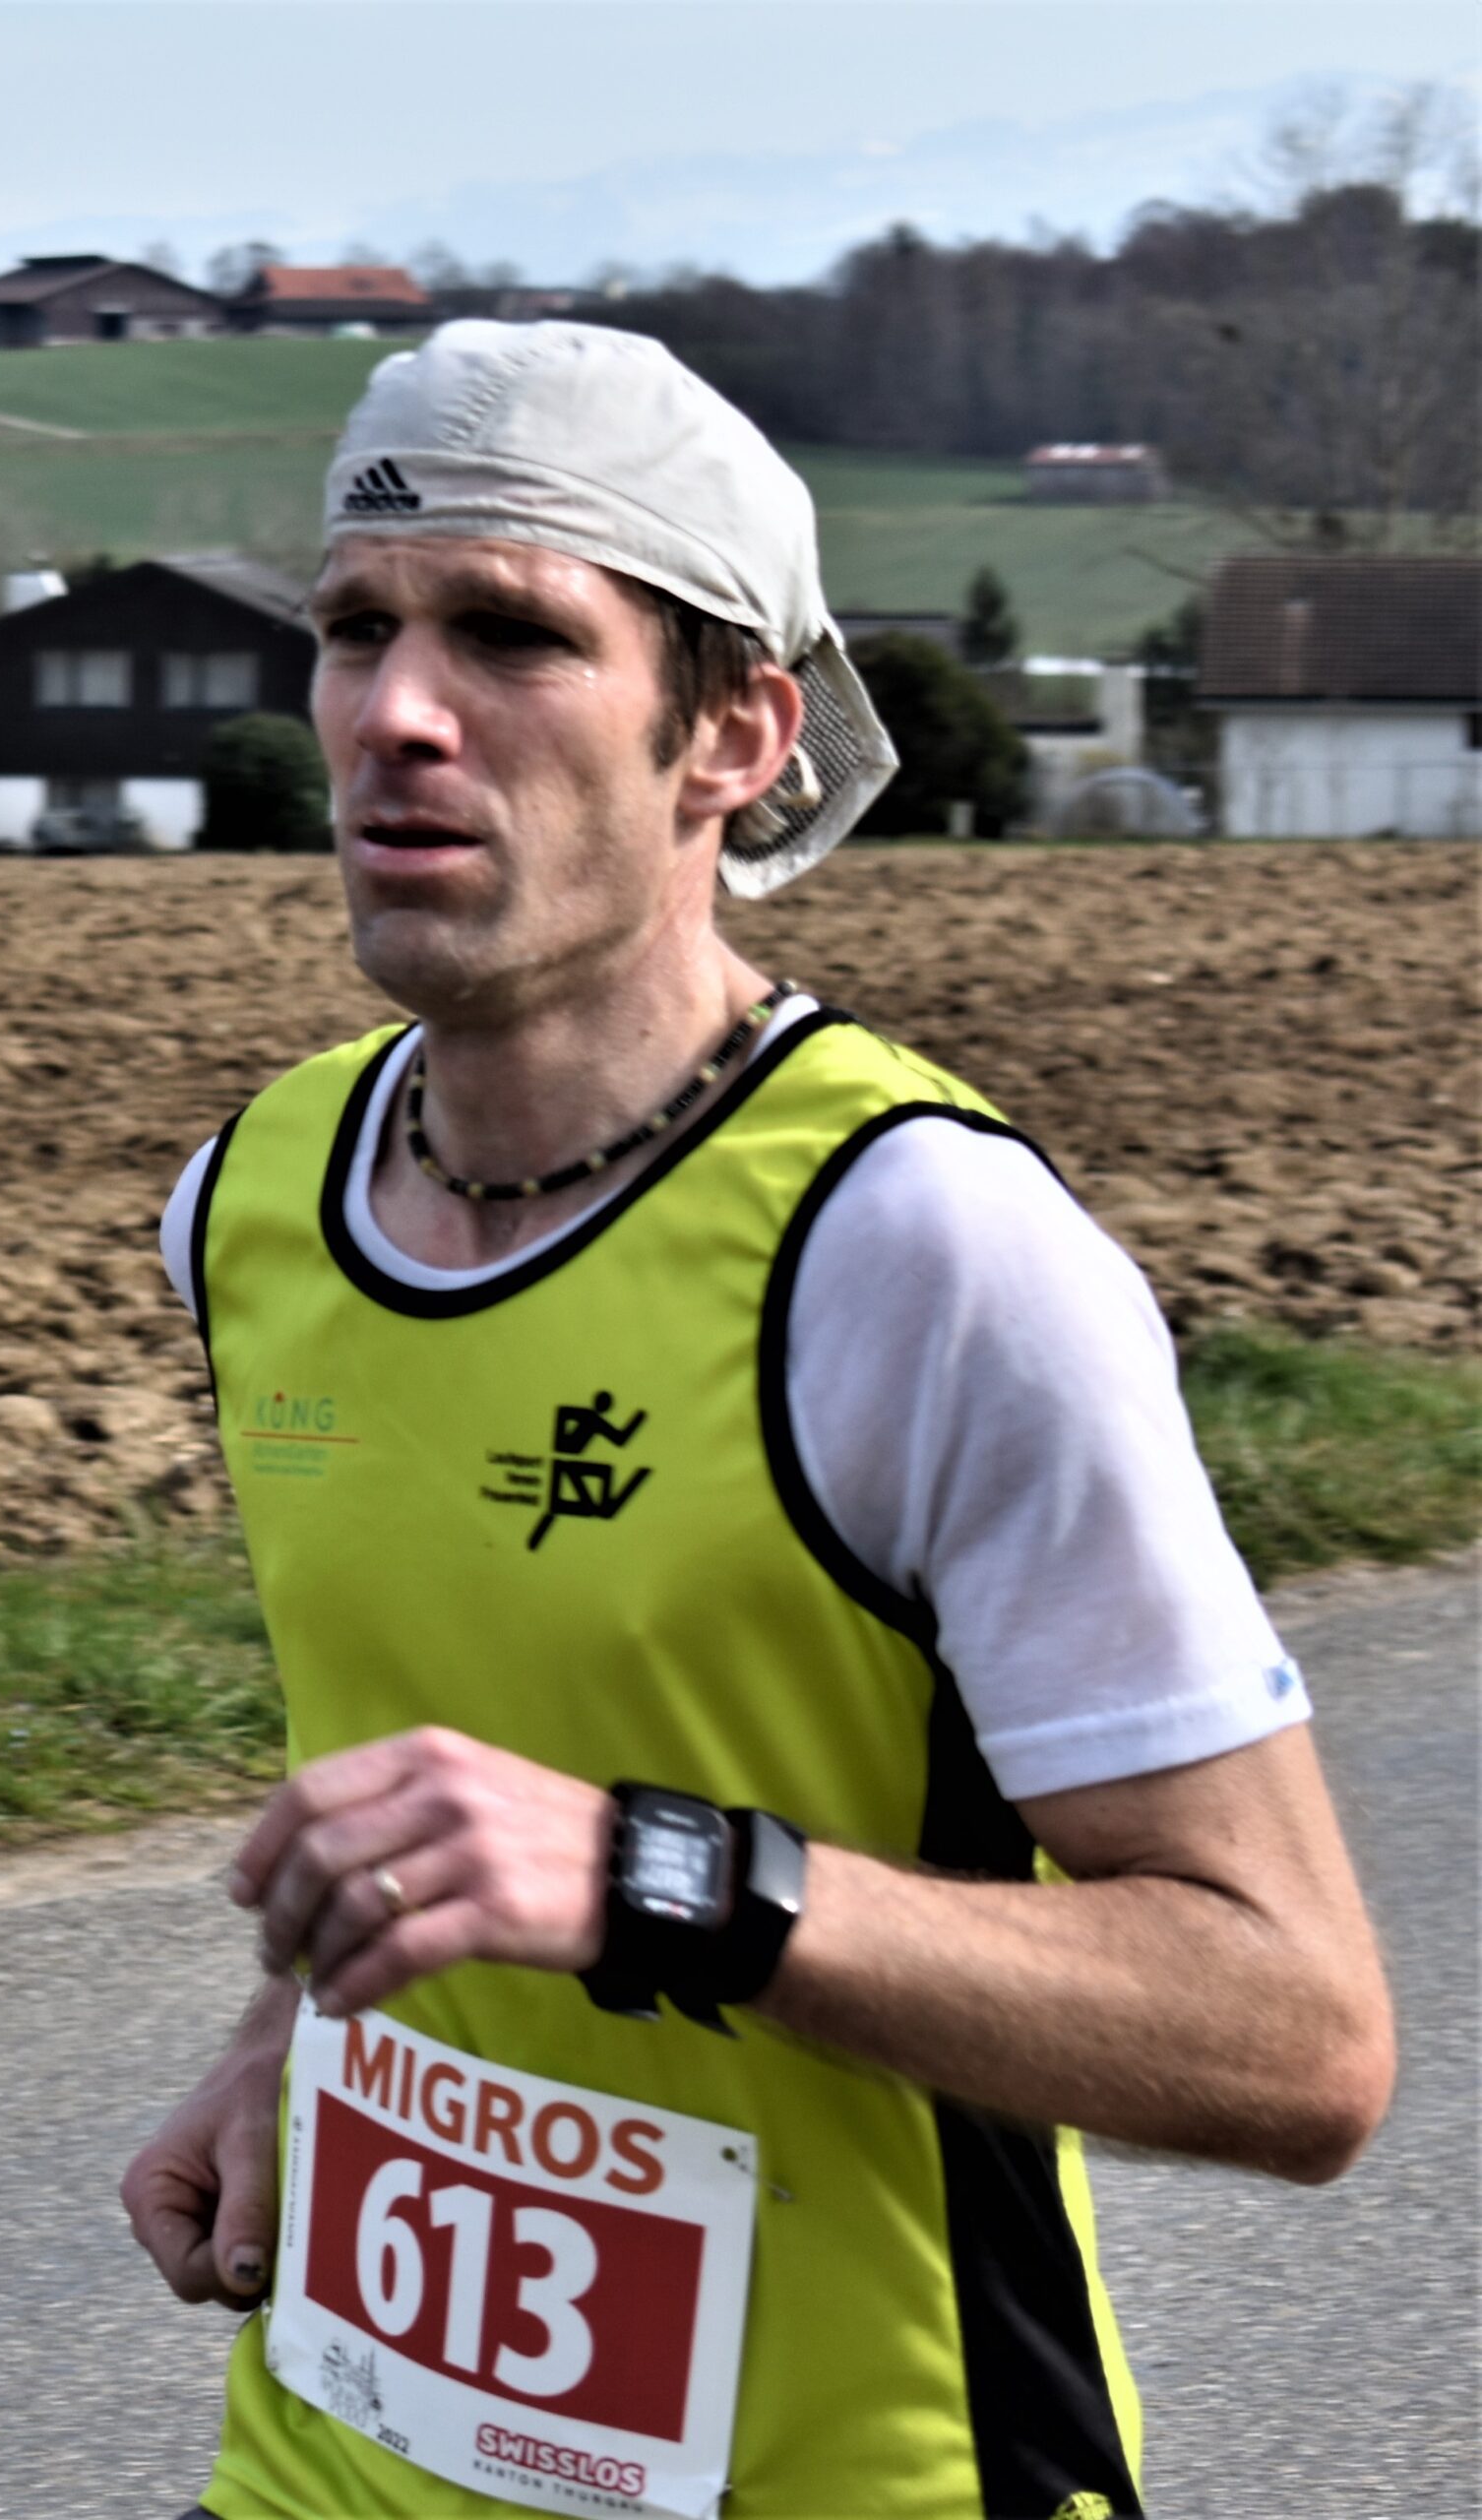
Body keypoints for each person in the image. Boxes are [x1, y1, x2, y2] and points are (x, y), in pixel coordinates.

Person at [122, 322, 1393, 2520]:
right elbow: (474, 1746)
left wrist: (663, 1880)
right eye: (354, 629)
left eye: (511, 635)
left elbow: (1295, 2034)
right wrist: (296, 2034)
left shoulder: (919, 1255)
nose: (396, 711)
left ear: (735, 734)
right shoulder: (257, 1201)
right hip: (335, 2456)